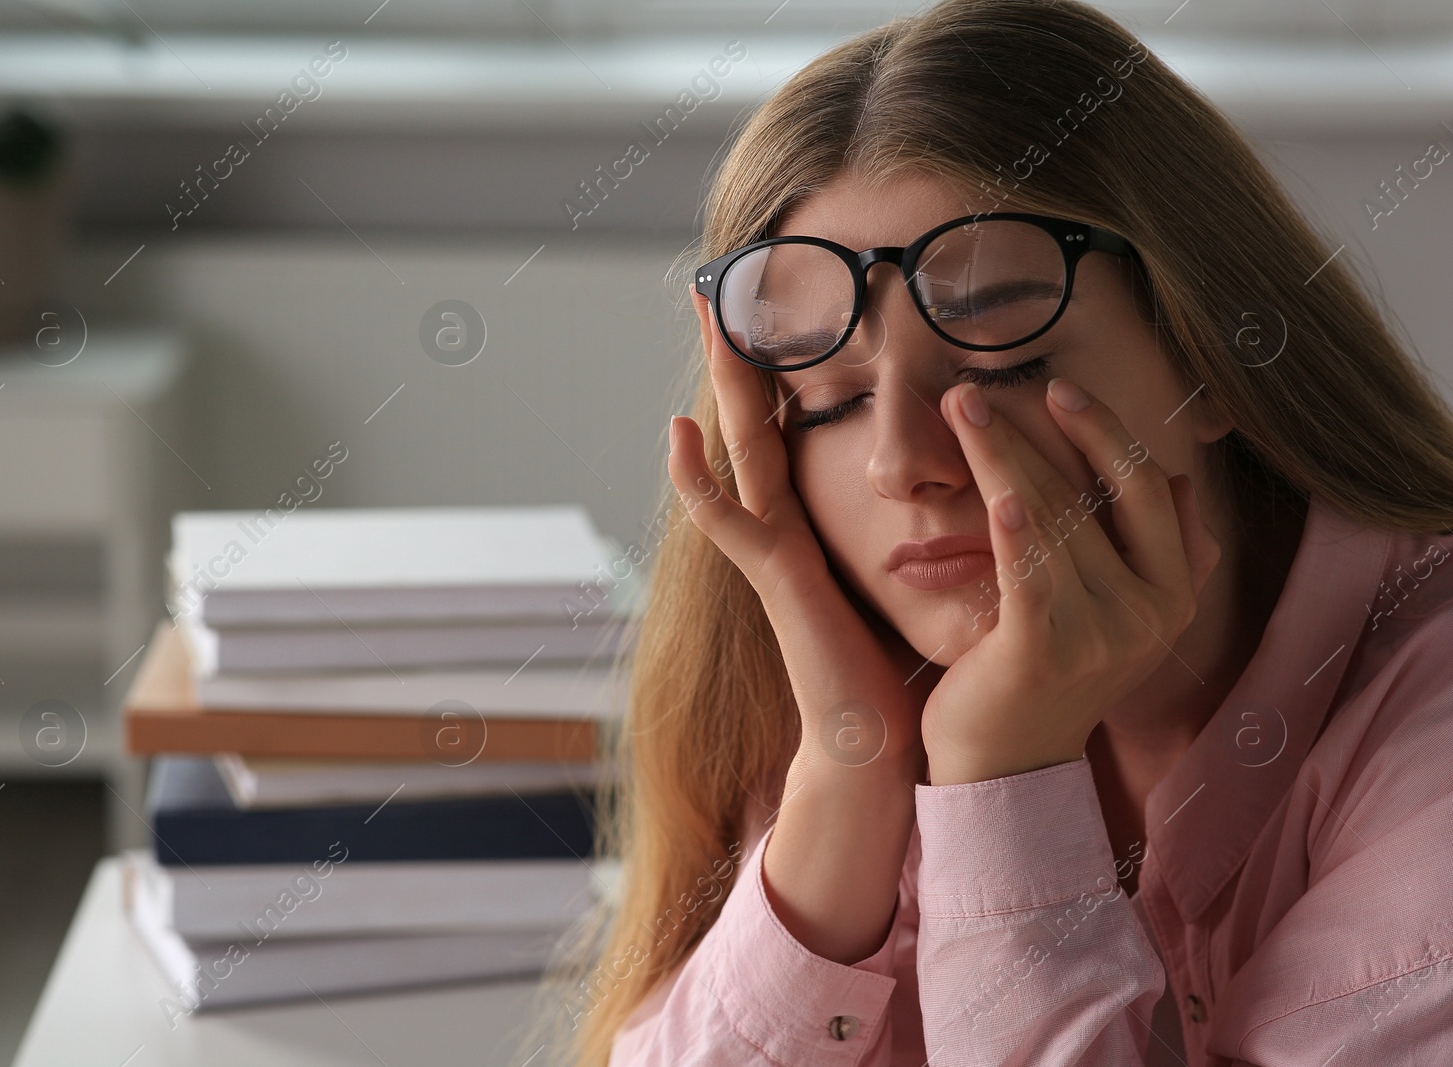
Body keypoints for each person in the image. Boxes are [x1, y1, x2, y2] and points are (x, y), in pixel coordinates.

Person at [526, 1, 1453, 1064]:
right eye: (826, 399)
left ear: (1216, 357)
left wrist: (1001, 783)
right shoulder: (868, 696)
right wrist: (844, 778)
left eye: (998, 363)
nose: (897, 463)